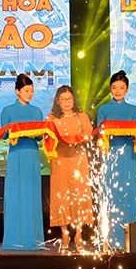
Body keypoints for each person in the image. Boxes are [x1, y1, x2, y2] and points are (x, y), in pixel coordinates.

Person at [95, 70, 136, 249]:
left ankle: (132, 239)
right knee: (110, 194)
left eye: (121, 87)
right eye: (114, 87)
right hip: (110, 155)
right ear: (110, 89)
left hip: (129, 155)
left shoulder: (133, 110)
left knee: (129, 193)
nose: (118, 91)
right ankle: (109, 239)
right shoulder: (104, 109)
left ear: (127, 89)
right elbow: (99, 135)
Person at [1, 74, 45, 250]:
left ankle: (33, 237)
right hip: (16, 155)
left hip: (32, 155)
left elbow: (41, 136)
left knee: (31, 194)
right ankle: (14, 238)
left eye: (32, 91)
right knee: (16, 194)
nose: (30, 94)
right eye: (27, 91)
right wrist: (17, 131)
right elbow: (4, 134)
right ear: (17, 91)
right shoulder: (8, 111)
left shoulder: (37, 112)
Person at [47, 85, 93, 252]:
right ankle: (65, 234)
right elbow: (47, 139)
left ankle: (79, 234)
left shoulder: (82, 116)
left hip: (79, 160)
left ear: (74, 100)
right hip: (60, 161)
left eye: (69, 99)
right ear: (58, 101)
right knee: (62, 195)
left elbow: (89, 135)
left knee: (79, 195)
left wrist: (78, 139)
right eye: (63, 99)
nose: (67, 102)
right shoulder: (51, 118)